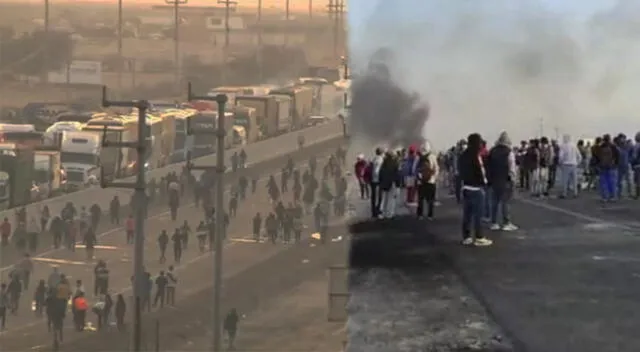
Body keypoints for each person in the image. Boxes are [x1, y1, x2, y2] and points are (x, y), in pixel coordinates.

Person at [458, 133, 493, 247]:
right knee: (478, 215)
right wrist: (485, 182)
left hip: (466, 187)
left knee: (467, 215)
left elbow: (460, 172)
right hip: (477, 188)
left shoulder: (462, 156)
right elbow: (480, 171)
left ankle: (466, 237)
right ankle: (479, 237)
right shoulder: (476, 155)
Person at [487, 132, 518, 231]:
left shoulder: (492, 151)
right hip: (505, 180)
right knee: (506, 202)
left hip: (494, 180)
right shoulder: (509, 152)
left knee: (494, 202)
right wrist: (513, 179)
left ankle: (494, 223)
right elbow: (511, 167)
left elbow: (488, 165)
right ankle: (506, 223)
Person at [416, 142, 439, 220]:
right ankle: (430, 215)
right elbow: (436, 169)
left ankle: (420, 215)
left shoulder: (418, 157)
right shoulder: (433, 157)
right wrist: (434, 177)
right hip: (431, 181)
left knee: (420, 199)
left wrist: (418, 177)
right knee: (430, 200)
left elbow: (415, 169)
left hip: (421, 181)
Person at [558, 134, 582, 199]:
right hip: (574, 165)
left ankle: (564, 194)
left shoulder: (563, 146)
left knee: (565, 180)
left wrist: (560, 163)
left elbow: (560, 156)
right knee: (574, 180)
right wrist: (577, 163)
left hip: (566, 165)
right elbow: (579, 156)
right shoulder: (574, 146)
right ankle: (575, 193)